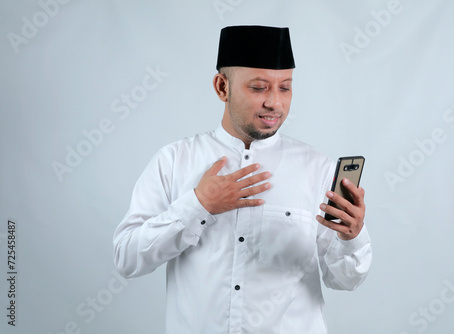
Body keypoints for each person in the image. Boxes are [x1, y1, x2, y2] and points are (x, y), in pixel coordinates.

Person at [113, 25, 372, 333]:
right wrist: (198, 205)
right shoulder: (174, 161)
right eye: (259, 88)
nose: (275, 103)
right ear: (222, 87)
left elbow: (346, 279)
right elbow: (127, 259)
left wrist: (350, 237)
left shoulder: (317, 168)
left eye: (285, 88)